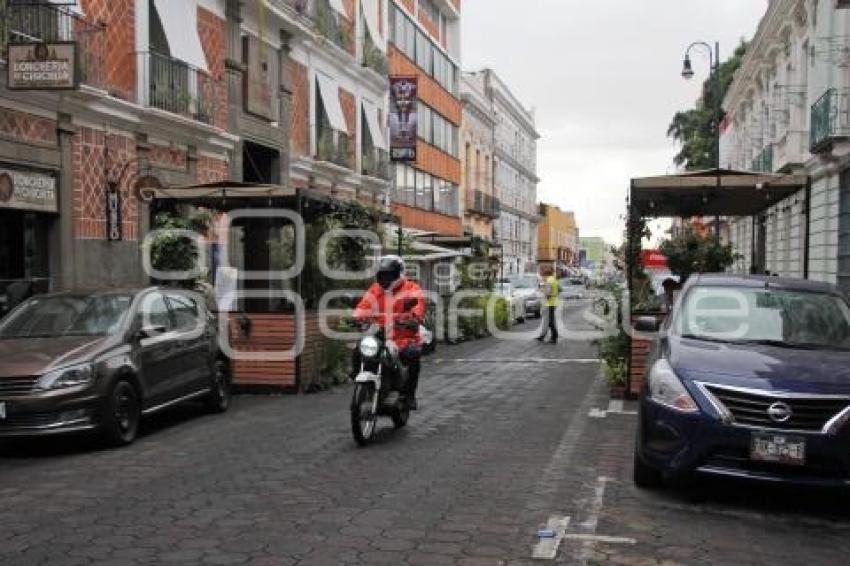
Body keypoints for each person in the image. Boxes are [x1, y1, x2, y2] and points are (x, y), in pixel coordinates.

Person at [353, 255, 425, 409]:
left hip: (404, 336)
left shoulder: (411, 288)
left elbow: (417, 306)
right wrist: (358, 316)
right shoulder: (375, 289)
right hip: (380, 335)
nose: (386, 279)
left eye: (389, 275)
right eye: (383, 275)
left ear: (398, 274)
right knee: (359, 348)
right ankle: (358, 380)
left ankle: (409, 395)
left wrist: (412, 317)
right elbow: (364, 305)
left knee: (412, 355)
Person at [536, 265, 560, 344]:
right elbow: (560, 289)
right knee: (550, 320)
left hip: (550, 303)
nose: (543, 276)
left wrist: (543, 290)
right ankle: (545, 336)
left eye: (543, 274)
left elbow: (548, 293)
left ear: (546, 274)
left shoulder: (549, 281)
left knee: (550, 321)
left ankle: (554, 336)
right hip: (554, 301)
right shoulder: (554, 280)